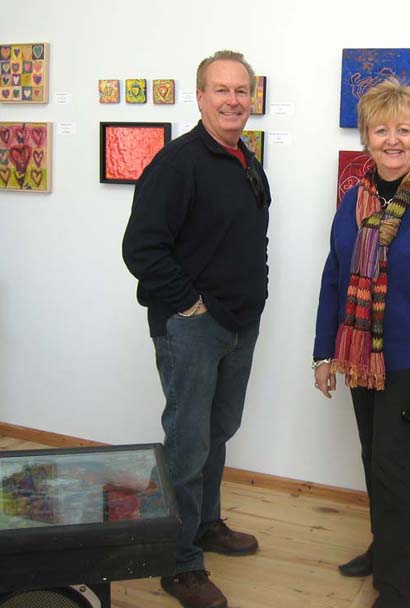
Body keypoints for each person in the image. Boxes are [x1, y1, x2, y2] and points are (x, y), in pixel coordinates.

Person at [313, 78, 410, 608]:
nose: (393, 140)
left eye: (403, 129)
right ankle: (384, 551)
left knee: (393, 469)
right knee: (372, 457)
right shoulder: (353, 200)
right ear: (367, 137)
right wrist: (323, 352)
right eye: (381, 130)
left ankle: (399, 589)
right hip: (359, 355)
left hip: (408, 365)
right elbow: (334, 277)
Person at [122, 50, 270, 608]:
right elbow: (140, 249)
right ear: (201, 97)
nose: (233, 100)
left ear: (251, 98)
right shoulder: (177, 163)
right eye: (221, 90)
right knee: (187, 445)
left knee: (218, 431)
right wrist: (191, 305)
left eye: (241, 90)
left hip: (239, 324)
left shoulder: (244, 158)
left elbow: (251, 236)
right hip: (193, 330)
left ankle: (205, 524)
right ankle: (179, 564)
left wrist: (255, 294)